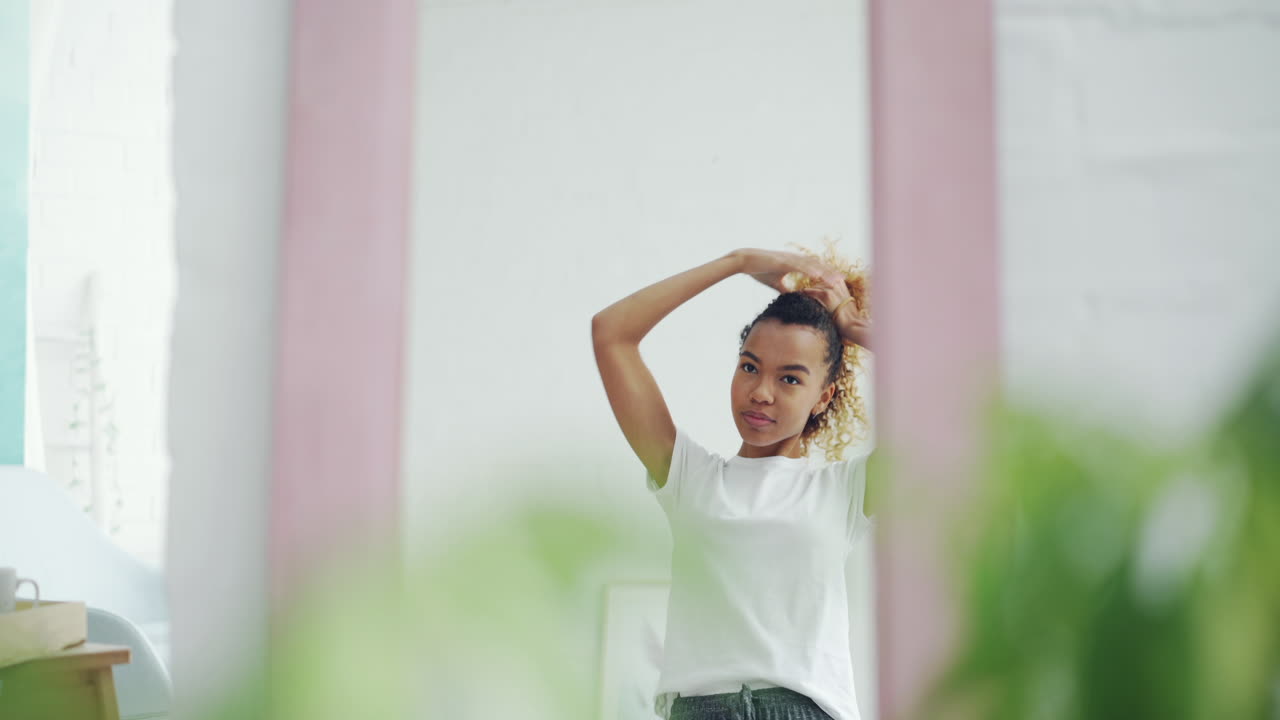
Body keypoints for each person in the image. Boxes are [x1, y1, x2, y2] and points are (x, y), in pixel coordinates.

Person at [591, 246, 876, 720]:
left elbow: (950, 392)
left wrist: (851, 326)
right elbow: (611, 333)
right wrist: (737, 263)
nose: (761, 392)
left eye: (789, 379)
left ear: (823, 397)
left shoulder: (845, 491)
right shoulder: (688, 476)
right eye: (749, 366)